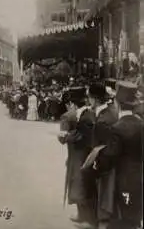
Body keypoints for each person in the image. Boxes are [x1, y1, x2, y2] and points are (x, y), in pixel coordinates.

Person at [92, 81, 143, 229]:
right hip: (139, 178)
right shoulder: (141, 125)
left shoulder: (117, 128)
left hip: (122, 181)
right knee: (134, 218)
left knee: (121, 220)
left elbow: (110, 157)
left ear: (118, 104)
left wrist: (97, 163)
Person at [57, 87, 97, 228]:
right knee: (80, 184)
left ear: (72, 102)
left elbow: (76, 136)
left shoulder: (71, 116)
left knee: (79, 184)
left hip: (78, 154)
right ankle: (82, 215)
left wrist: (65, 136)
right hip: (82, 154)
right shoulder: (90, 113)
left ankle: (87, 218)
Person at [87, 82, 119, 229]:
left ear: (95, 99)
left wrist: (98, 164)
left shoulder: (103, 119)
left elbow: (105, 146)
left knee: (105, 198)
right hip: (110, 163)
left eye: (89, 97)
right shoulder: (110, 112)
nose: (88, 101)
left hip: (105, 165)